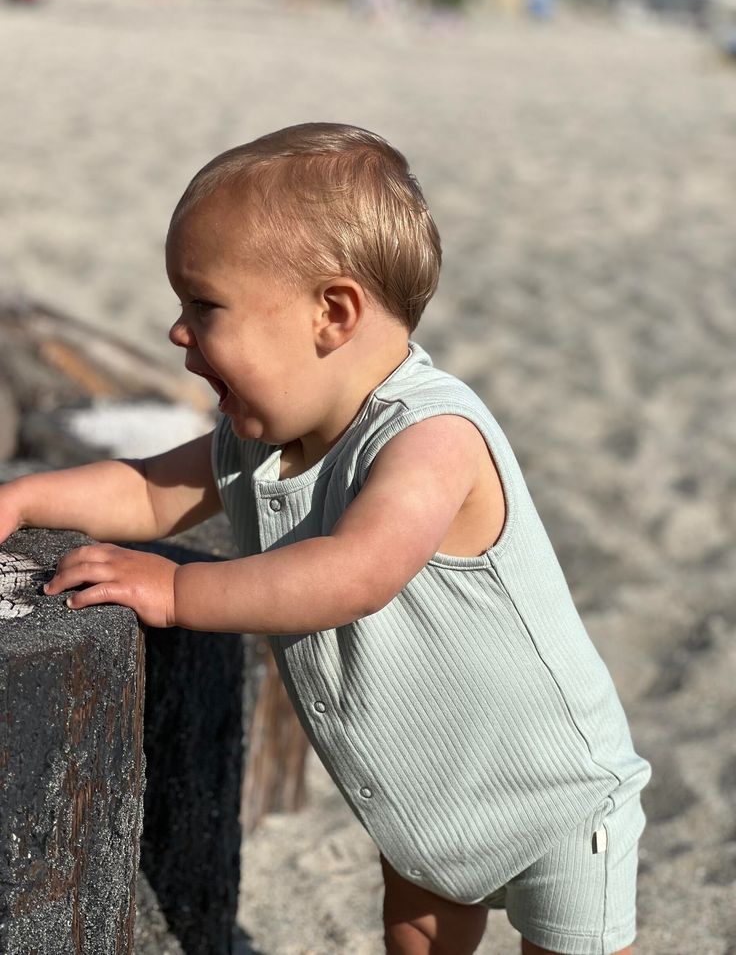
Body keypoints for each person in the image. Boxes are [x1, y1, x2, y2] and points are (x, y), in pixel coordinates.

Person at [0, 123, 651, 955]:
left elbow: (357, 569)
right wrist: (26, 496)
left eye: (204, 305)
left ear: (331, 314)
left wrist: (175, 590)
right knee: (415, 928)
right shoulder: (260, 438)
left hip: (556, 796)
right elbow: (147, 488)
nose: (176, 332)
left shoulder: (430, 436)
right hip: (428, 792)